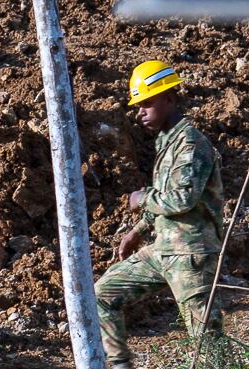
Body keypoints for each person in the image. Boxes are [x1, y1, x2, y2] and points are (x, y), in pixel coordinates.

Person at [93, 59, 226, 342]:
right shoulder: (168, 142)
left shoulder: (190, 144)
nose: (140, 113)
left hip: (191, 253)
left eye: (147, 104)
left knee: (206, 339)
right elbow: (167, 197)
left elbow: (182, 199)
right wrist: (137, 231)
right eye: (139, 106)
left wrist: (142, 198)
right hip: (165, 249)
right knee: (103, 293)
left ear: (169, 98)